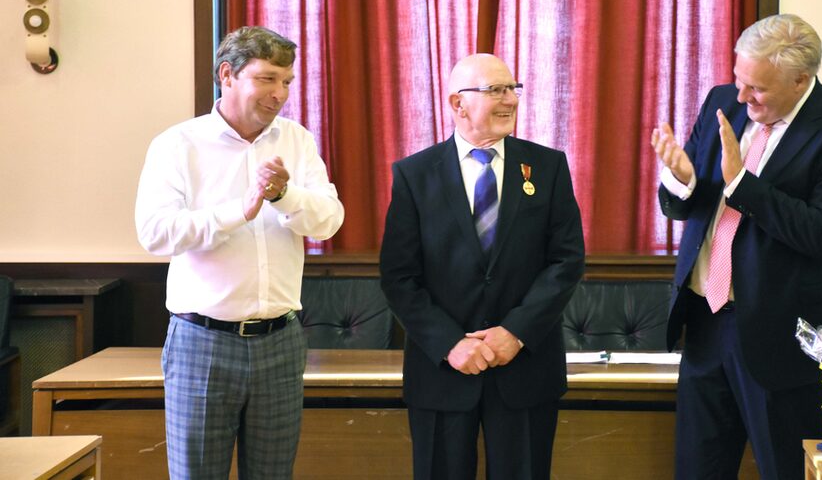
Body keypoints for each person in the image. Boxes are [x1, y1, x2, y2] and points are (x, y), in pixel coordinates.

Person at [651, 13, 822, 479]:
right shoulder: (723, 102)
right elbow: (689, 206)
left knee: (783, 470)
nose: (741, 96)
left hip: (779, 337)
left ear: (800, 80)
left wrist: (742, 183)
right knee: (697, 470)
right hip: (705, 320)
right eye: (739, 80)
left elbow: (821, 233)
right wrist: (680, 180)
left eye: (757, 89)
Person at [135, 26, 344, 480]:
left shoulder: (297, 140)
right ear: (226, 74)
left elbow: (329, 219)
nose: (279, 94)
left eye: (287, 81)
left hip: (282, 342)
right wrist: (239, 210)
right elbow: (155, 234)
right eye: (267, 79)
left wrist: (284, 195)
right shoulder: (177, 145)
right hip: (203, 342)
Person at [379, 53, 585, 480]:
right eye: (496, 90)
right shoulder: (415, 175)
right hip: (443, 370)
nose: (510, 99)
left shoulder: (547, 167)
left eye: (512, 88)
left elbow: (566, 262)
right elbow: (399, 276)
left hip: (525, 366)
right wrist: (451, 343)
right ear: (458, 103)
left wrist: (516, 332)